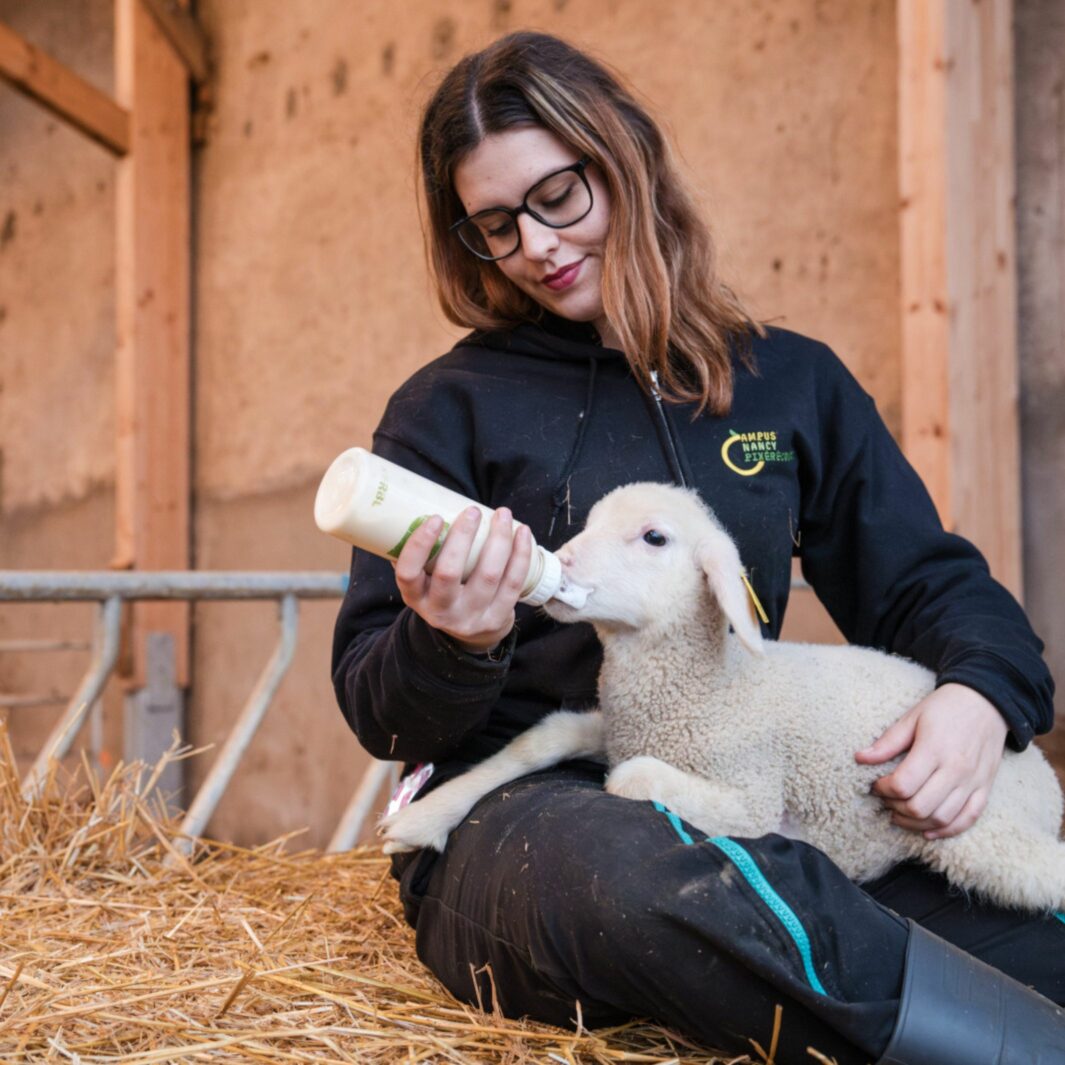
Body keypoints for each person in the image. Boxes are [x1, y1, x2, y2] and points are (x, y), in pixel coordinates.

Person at [331, 30, 1064, 1064]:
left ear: (624, 160)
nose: (536, 245)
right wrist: (450, 640)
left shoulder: (786, 383)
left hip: (740, 792)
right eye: (495, 224)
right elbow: (373, 700)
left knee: (1020, 933)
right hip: (529, 818)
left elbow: (926, 583)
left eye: (558, 196)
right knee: (654, 877)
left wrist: (979, 695)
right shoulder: (448, 409)